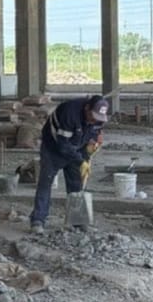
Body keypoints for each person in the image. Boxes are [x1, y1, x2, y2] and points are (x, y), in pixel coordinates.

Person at [29, 95, 109, 234]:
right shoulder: (69, 112)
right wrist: (80, 161)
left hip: (77, 147)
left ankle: (77, 220)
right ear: (87, 108)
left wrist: (91, 147)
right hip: (53, 147)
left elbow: (94, 134)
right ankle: (38, 220)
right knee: (45, 182)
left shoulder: (98, 118)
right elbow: (63, 145)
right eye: (93, 116)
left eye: (98, 118)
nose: (94, 120)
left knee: (76, 185)